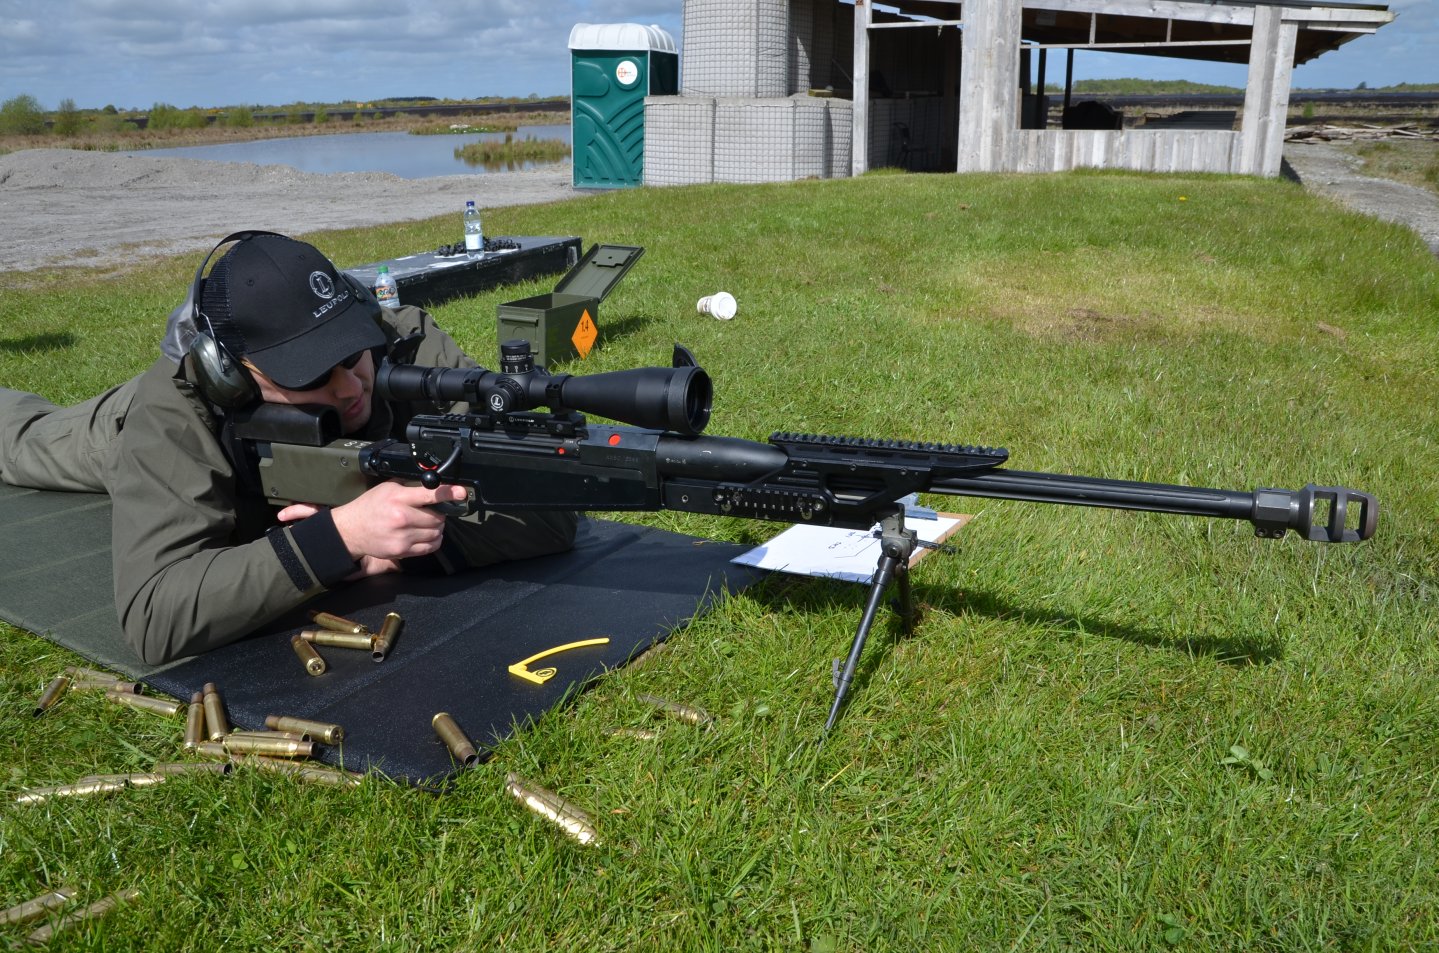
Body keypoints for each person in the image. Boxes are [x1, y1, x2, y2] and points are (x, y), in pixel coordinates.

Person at [0, 232, 577, 664]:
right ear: (234, 374)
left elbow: (548, 509)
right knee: (24, 442)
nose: (351, 387)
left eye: (352, 354)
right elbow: (156, 616)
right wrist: (341, 538)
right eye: (311, 376)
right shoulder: (176, 410)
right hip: (120, 432)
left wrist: (398, 546)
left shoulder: (406, 344)